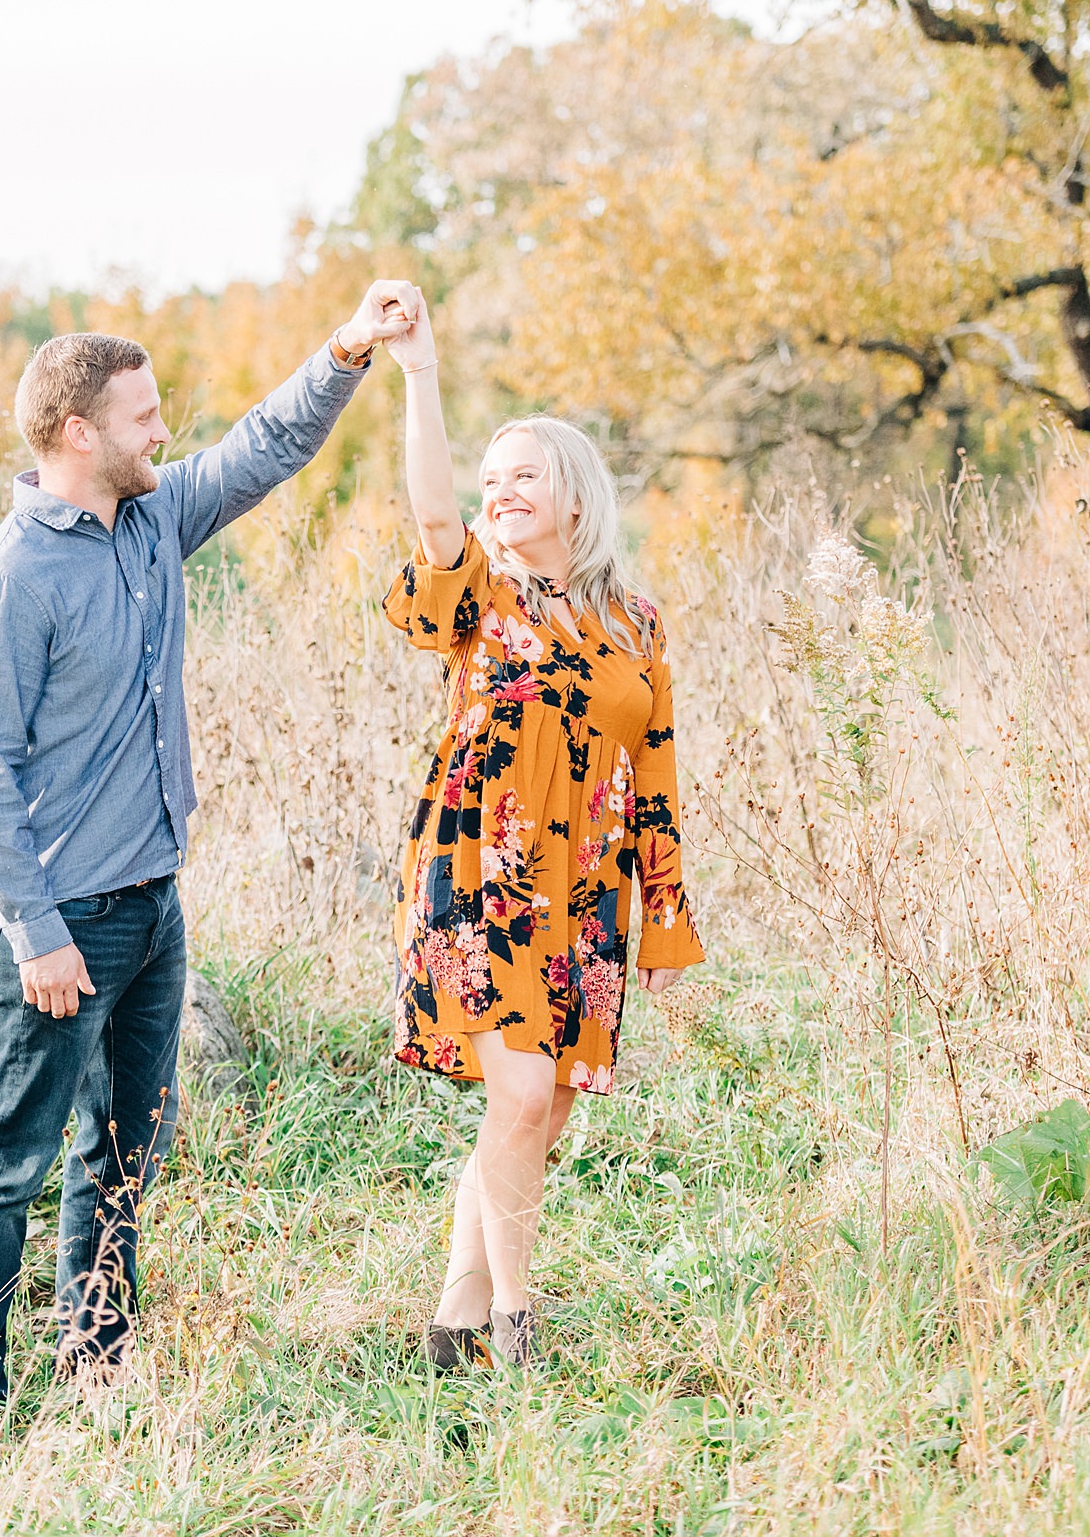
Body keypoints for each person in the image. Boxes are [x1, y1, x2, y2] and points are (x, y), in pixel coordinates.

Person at [0, 284, 418, 1402]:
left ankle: (98, 1364)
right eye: (142, 415)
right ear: (77, 433)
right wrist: (35, 932)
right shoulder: (8, 581)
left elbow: (266, 446)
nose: (164, 431)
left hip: (153, 909)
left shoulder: (153, 521)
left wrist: (346, 346)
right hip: (61, 929)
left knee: (125, 1152)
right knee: (9, 1164)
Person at [376, 287, 705, 1371]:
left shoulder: (634, 623)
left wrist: (663, 920)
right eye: (491, 479)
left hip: (589, 888)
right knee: (518, 1094)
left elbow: (651, 776)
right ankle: (519, 1329)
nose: (500, 491)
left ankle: (453, 1327)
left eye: (523, 473)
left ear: (574, 493)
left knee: (538, 1118)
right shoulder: (479, 594)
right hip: (480, 874)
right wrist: (421, 375)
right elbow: (432, 516)